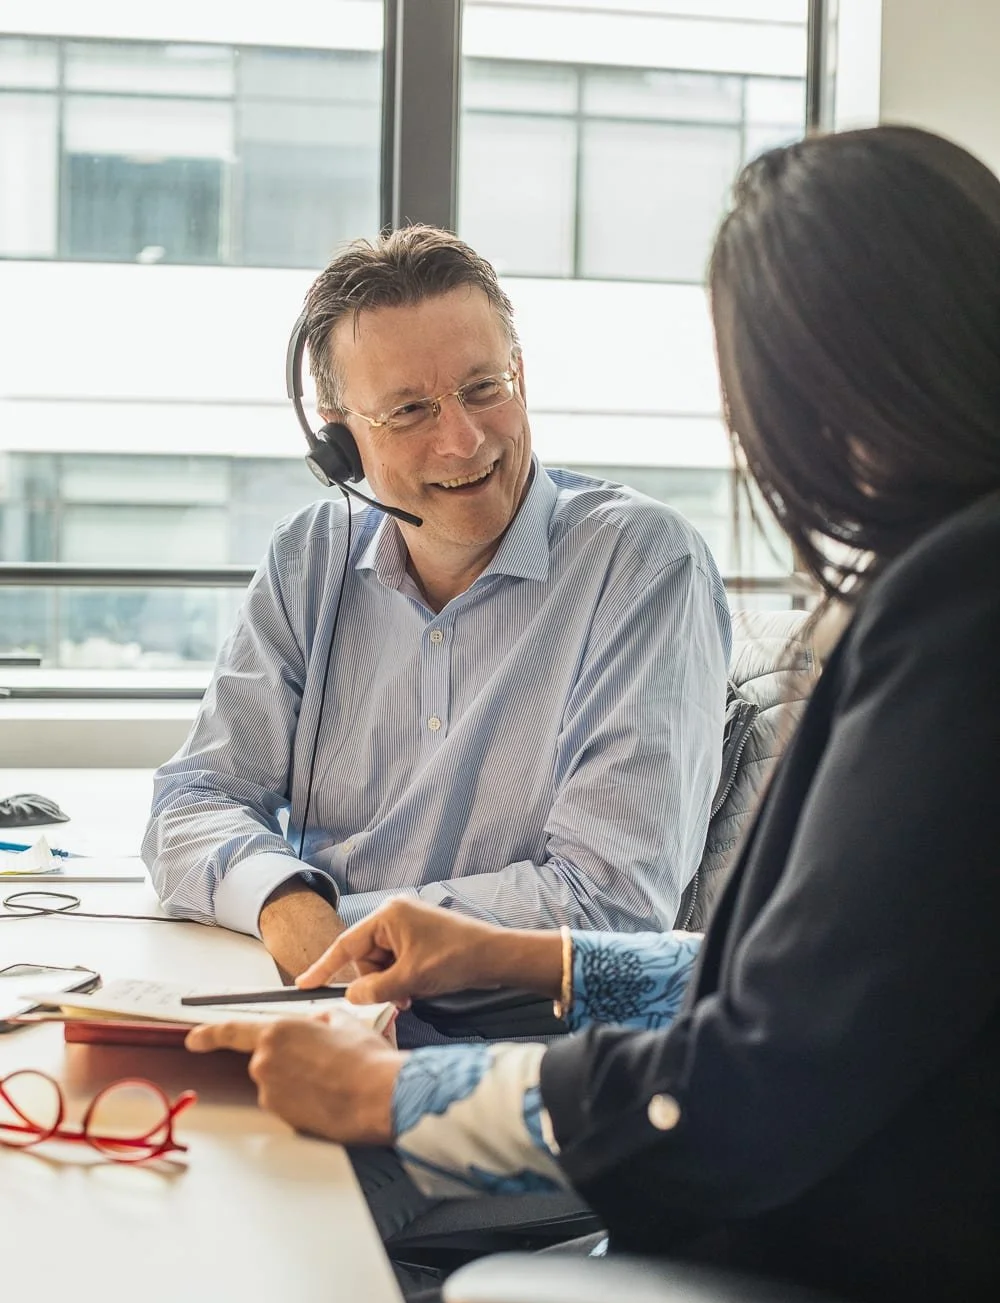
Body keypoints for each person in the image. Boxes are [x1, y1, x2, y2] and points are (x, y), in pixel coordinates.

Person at [186, 123, 1000, 1303]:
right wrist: (533, 958)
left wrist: (401, 1094)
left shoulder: (957, 616)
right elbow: (812, 988)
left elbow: (748, 1084)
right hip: (792, 1253)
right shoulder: (947, 588)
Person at [141, 226, 730, 986]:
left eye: (485, 388)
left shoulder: (642, 564)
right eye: (411, 410)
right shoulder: (308, 560)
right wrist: (282, 897)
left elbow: (609, 904)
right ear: (339, 440)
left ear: (521, 375)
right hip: (316, 1006)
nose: (463, 440)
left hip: (511, 1047)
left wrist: (309, 921)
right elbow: (194, 797)